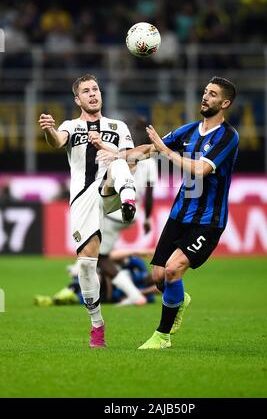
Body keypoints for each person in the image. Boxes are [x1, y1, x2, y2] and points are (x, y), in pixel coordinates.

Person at [98, 76, 239, 349]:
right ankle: (179, 299)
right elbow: (149, 150)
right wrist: (116, 155)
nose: (205, 97)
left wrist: (167, 153)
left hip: (208, 221)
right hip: (179, 215)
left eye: (212, 94)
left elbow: (201, 169)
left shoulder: (228, 137)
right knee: (159, 277)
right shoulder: (188, 131)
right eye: (205, 92)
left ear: (224, 103)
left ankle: (162, 337)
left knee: (173, 271)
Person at [38, 74, 137, 349]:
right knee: (85, 265)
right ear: (77, 99)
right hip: (83, 199)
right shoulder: (71, 125)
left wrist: (105, 147)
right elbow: (57, 140)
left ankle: (129, 203)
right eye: (86, 91)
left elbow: (131, 164)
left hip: (111, 189)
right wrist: (48, 128)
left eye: (95, 89)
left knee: (116, 161)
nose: (93, 94)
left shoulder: (118, 126)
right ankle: (97, 326)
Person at [97, 116, 158, 306]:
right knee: (106, 254)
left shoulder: (119, 154)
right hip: (132, 213)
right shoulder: (150, 162)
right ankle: (132, 289)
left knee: (101, 258)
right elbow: (149, 194)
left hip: (113, 210)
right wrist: (147, 219)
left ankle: (133, 294)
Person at [33, 249, 159, 307]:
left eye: (160, 278)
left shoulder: (148, 295)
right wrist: (134, 251)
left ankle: (58, 298)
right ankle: (57, 298)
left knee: (91, 284)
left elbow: (156, 292)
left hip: (109, 294)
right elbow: (110, 256)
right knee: (95, 274)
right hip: (103, 278)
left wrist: (139, 292)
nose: (157, 275)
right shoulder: (139, 266)